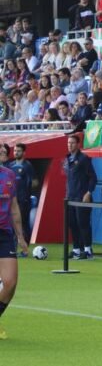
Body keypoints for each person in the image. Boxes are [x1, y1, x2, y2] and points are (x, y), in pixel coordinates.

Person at [0, 145, 26, 340]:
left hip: (5, 234)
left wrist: (21, 236)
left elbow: (14, 207)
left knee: (10, 283)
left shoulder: (9, 175)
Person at [64, 133, 97, 260]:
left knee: (83, 223)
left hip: (81, 197)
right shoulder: (68, 159)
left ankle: (88, 250)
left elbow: (93, 178)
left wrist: (88, 193)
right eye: (68, 143)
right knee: (72, 223)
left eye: (72, 143)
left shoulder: (84, 159)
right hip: (70, 197)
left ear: (78, 145)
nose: (70, 145)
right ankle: (77, 249)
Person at [6, 143, 34, 253]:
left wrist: (26, 191)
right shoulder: (10, 166)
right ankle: (13, 247)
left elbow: (34, 182)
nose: (16, 152)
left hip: (23, 200)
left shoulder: (28, 166)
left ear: (24, 153)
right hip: (12, 199)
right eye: (15, 151)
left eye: (18, 151)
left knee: (23, 224)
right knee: (12, 223)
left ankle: (25, 248)